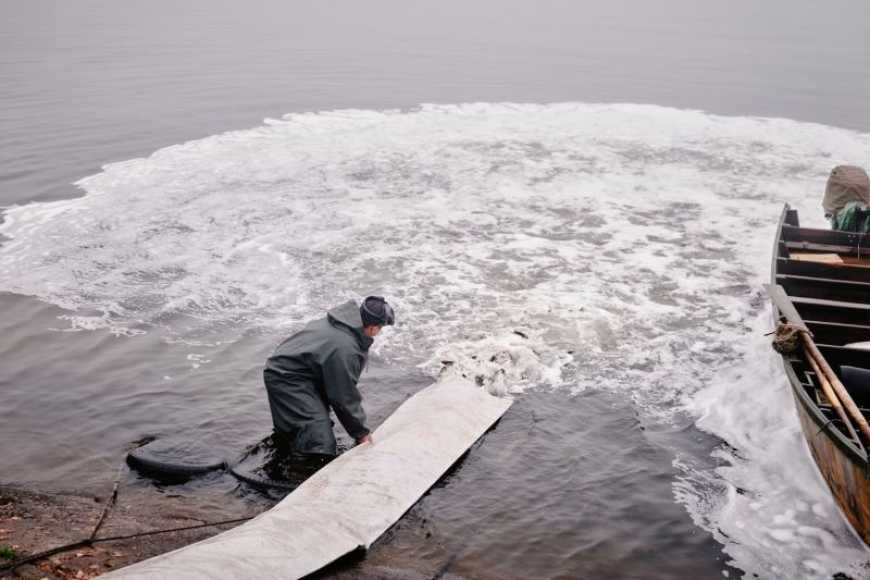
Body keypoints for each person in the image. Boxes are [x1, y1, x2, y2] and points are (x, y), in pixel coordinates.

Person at [263, 296, 395, 457]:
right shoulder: (345, 348)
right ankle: (304, 471)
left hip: (299, 371)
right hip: (287, 378)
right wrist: (362, 433)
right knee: (319, 439)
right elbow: (343, 397)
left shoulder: (342, 323)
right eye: (381, 328)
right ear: (374, 328)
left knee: (303, 425)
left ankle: (288, 443)